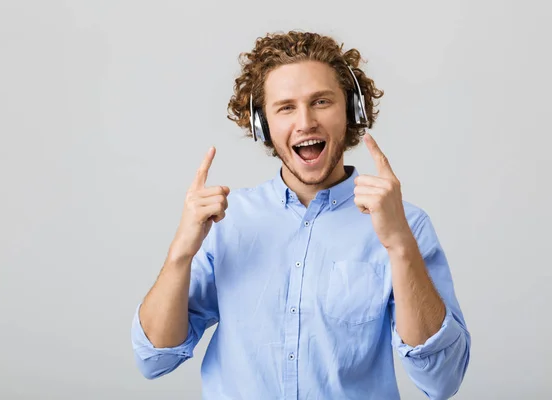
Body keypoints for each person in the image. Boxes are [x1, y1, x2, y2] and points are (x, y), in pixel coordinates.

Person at [131, 30, 471, 399]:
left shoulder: (406, 224)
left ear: (352, 110)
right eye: (286, 107)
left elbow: (442, 381)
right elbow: (154, 360)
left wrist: (400, 245)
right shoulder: (225, 222)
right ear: (263, 124)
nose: (305, 121)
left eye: (321, 101)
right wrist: (181, 251)